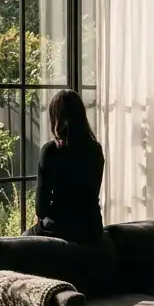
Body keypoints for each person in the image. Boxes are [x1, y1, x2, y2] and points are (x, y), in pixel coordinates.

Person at [25, 90, 104, 244]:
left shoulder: (51, 151)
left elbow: (41, 208)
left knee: (22, 240)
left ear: (56, 118)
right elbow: (92, 193)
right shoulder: (95, 149)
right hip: (92, 228)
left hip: (61, 227)